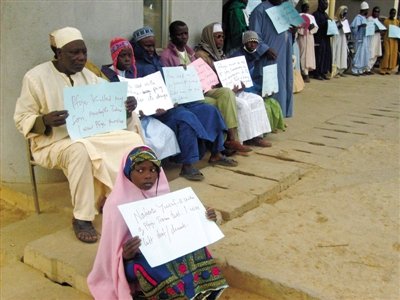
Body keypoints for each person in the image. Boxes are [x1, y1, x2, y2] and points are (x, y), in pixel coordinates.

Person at [14, 27, 143, 243]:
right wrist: (44, 120)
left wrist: (126, 108)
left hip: (91, 136)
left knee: (132, 139)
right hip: (53, 142)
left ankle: (120, 198)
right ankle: (82, 217)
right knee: (81, 151)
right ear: (58, 53)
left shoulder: (88, 76)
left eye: (83, 52)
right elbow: (21, 117)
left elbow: (110, 105)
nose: (81, 57)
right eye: (74, 53)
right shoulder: (35, 78)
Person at [87, 145, 228, 299]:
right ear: (127, 172)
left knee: (198, 250)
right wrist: (126, 255)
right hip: (132, 262)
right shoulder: (116, 204)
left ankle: (202, 292)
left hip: (164, 250)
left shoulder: (161, 194)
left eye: (153, 170)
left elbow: (180, 229)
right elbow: (109, 253)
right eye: (140, 170)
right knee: (155, 267)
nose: (148, 175)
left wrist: (204, 219)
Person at [131, 26, 238, 181]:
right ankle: (187, 165)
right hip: (157, 111)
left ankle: (216, 153)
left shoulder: (156, 60)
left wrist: (180, 75)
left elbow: (168, 81)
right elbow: (137, 97)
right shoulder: (135, 68)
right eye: (146, 46)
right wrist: (154, 108)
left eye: (152, 45)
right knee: (185, 118)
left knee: (209, 111)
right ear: (137, 47)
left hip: (176, 101)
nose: (150, 49)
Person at [159, 21, 253, 154]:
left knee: (226, 93)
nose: (183, 37)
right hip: (186, 97)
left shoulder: (191, 53)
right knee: (215, 105)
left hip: (202, 89)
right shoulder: (166, 56)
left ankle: (231, 138)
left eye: (185, 33)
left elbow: (203, 74)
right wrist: (179, 73)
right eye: (179, 34)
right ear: (172, 36)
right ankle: (220, 146)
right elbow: (168, 80)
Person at [100, 37, 180, 161]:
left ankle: (155, 165)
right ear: (115, 56)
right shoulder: (105, 75)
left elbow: (145, 94)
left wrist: (155, 107)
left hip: (144, 116)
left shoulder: (134, 71)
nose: (127, 59)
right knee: (143, 140)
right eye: (123, 56)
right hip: (123, 120)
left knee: (165, 133)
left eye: (130, 55)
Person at [195, 22, 272, 147]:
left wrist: (238, 83)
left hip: (230, 88)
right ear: (209, 37)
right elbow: (207, 81)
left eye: (222, 37)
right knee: (243, 105)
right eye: (217, 37)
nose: (221, 40)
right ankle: (241, 139)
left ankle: (256, 136)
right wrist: (227, 86)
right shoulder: (201, 55)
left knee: (257, 100)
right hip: (217, 90)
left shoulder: (220, 53)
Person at [231, 30, 286, 133]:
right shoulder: (237, 56)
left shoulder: (258, 55)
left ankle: (269, 127)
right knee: (257, 103)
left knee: (272, 103)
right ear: (244, 43)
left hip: (253, 87)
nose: (253, 45)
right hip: (241, 90)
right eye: (250, 42)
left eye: (255, 42)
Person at [249, 0, 294, 118]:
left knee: (284, 83)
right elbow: (254, 36)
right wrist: (265, 49)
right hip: (269, 56)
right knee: (269, 87)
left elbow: (287, 32)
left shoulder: (284, 10)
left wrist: (292, 31)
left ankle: (280, 116)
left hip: (284, 53)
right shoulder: (259, 11)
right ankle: (268, 119)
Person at [311, 0, 332, 80]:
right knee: (318, 56)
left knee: (325, 56)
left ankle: (323, 72)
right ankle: (317, 73)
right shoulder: (315, 15)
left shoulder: (326, 15)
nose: (326, 5)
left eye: (327, 4)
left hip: (326, 39)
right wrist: (325, 24)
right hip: (319, 39)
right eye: (325, 3)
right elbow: (316, 27)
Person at [298, 1, 318, 82]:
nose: (306, 8)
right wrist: (303, 29)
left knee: (309, 55)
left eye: (308, 7)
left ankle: (307, 72)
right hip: (301, 38)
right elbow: (297, 27)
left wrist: (311, 28)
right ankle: (303, 73)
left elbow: (316, 27)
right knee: (301, 53)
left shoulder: (311, 17)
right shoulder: (299, 16)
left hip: (309, 38)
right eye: (305, 7)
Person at [350, 1, 370, 76]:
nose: (368, 11)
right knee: (358, 55)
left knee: (364, 54)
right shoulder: (357, 18)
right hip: (359, 39)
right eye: (367, 10)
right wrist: (361, 26)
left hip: (365, 39)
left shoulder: (364, 18)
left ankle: (361, 70)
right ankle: (355, 70)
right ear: (364, 10)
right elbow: (353, 28)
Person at [379, 8, 400, 75]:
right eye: (392, 13)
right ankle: (383, 69)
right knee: (387, 54)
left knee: (393, 55)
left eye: (394, 13)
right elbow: (383, 30)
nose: (393, 14)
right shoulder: (386, 21)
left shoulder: (397, 22)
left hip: (394, 41)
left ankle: (389, 69)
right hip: (387, 40)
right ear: (390, 13)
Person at [332, 5, 349, 77]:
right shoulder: (334, 20)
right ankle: (335, 71)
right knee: (337, 53)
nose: (344, 15)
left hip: (343, 38)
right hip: (337, 38)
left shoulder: (345, 21)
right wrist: (338, 26)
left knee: (343, 53)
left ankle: (341, 70)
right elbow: (332, 30)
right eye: (343, 13)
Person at [367, 6, 383, 74]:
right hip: (372, 38)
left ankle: (370, 68)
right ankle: (367, 68)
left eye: (378, 12)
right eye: (375, 11)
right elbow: (368, 29)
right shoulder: (369, 19)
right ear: (372, 12)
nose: (376, 13)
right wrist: (375, 30)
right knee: (371, 53)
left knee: (375, 53)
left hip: (377, 38)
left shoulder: (378, 20)